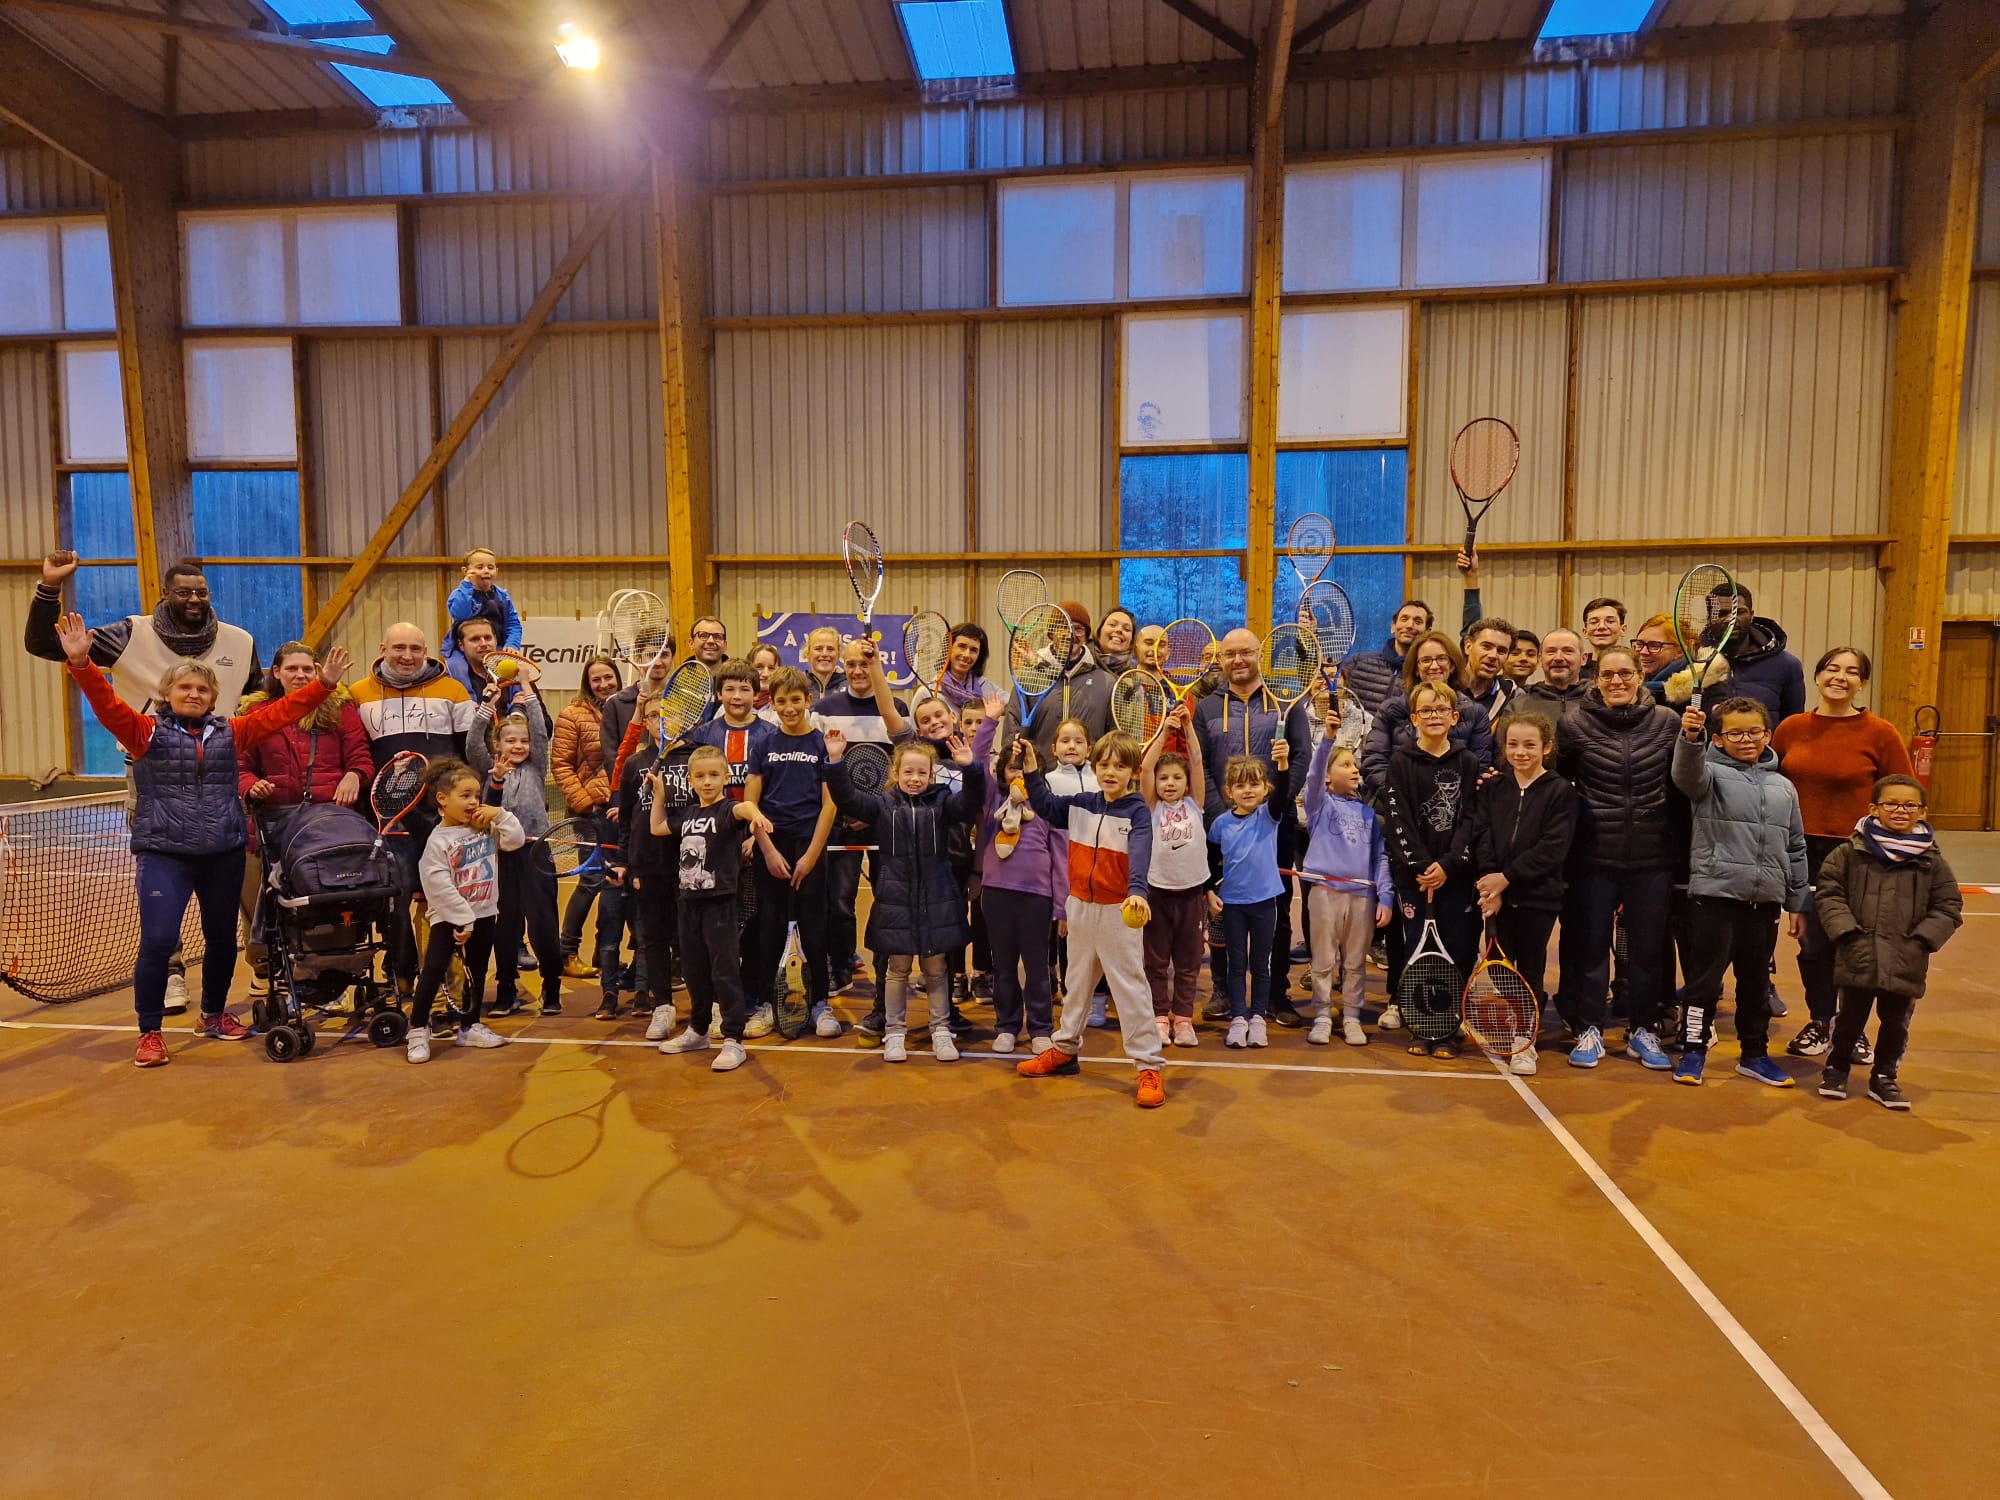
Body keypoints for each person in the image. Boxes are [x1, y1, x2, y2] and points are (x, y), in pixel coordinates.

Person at [57, 614, 349, 1066]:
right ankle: (150, 1031)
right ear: (167, 694)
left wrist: (324, 684)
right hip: (164, 854)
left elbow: (282, 712)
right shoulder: (144, 731)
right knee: (158, 941)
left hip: (222, 852)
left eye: (202, 689)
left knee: (221, 940)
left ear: (213, 696)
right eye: (184, 688)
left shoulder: (233, 731)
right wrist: (81, 664)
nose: (193, 694)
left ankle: (213, 1015)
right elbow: (106, 704)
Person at [28, 550, 261, 1014]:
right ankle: (170, 970)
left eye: (201, 592)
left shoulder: (240, 640)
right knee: (164, 874)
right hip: (152, 765)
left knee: (235, 867)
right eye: (184, 592)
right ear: (165, 594)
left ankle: (259, 962)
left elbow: (258, 699)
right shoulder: (130, 634)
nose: (193, 599)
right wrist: (49, 588)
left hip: (221, 764)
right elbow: (45, 645)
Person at [1011, 730, 1166, 1109]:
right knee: (1076, 984)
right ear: (1094, 767)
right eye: (1104, 765)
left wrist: (1137, 891)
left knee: (1130, 988)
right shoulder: (1081, 803)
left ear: (1134, 772)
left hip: (1118, 912)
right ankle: (1065, 1050)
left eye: (1120, 766)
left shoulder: (1137, 812)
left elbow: (1141, 852)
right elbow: (1045, 805)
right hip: (1079, 907)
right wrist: (1031, 769)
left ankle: (1148, 1065)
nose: (1111, 772)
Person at [1772, 647, 1914, 1060]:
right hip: (1802, 852)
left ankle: (1851, 1027)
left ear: (1862, 683)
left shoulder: (1880, 733)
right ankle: (1821, 1021)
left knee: (1854, 944)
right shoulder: (1791, 728)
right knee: (1812, 943)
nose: (1840, 677)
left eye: (1852, 672)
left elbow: (1903, 793)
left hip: (1859, 853)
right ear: (1817, 677)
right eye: (1832, 668)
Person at [1670, 696, 1807, 1087]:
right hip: (1715, 897)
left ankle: (1755, 1055)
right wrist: (1690, 738)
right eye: (1735, 733)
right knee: (1703, 983)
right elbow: (1686, 774)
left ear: (1768, 735)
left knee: (1756, 983)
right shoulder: (1708, 774)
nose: (1746, 740)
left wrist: (1797, 902)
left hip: (1764, 903)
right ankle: (1693, 1050)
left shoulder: (1784, 787)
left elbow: (1795, 846)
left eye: (1754, 732)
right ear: (1718, 739)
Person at [1555, 646, 1679, 1070]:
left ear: (1640, 677)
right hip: (1593, 858)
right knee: (1590, 949)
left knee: (1646, 952)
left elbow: (1681, 786)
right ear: (1596, 679)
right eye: (1608, 675)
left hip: (1652, 859)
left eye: (1625, 673)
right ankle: (1589, 1027)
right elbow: (1561, 785)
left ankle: (1642, 1029)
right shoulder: (1573, 724)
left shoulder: (1668, 723)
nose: (1617, 682)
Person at [825, 730, 983, 1063]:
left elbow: (970, 803)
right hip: (895, 900)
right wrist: (836, 761)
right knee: (896, 968)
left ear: (931, 775)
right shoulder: (882, 805)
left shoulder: (943, 803)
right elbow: (848, 799)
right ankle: (895, 1031)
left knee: (936, 967)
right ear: (895, 774)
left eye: (922, 772)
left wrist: (970, 769)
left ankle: (941, 1030)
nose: (915, 778)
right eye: (908, 772)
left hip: (936, 898)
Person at [1812, 775, 1962, 1111]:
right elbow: (1829, 894)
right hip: (1858, 952)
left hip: (1907, 956)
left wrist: (1922, 940)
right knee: (1849, 1018)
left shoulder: (1932, 861)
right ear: (1873, 808)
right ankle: (1836, 1068)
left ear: (1922, 812)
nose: (1900, 810)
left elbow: (1948, 906)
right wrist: (1846, 932)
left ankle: (1884, 1077)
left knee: (1896, 1023)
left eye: (1909, 805)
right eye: (1891, 803)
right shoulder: (1849, 853)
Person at [1194, 627, 1315, 1028]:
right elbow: (1201, 765)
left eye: (1245, 652)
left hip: (1273, 826)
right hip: (1222, 826)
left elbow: (1301, 757)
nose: (1238, 660)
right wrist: (1221, 814)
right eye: (1230, 654)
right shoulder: (1206, 708)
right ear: (1221, 660)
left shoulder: (1285, 703)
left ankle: (1277, 993)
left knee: (1276, 910)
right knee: (1221, 910)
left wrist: (1271, 808)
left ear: (1259, 655)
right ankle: (1223, 991)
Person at [236, 641, 375, 990]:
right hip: (273, 821)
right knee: (260, 889)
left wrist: (354, 775)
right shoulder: (255, 714)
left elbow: (360, 755)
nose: (300, 675)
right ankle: (265, 962)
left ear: (317, 671)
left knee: (332, 891)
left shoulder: (341, 709)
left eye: (307, 669)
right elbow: (239, 767)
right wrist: (252, 786)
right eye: (292, 669)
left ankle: (332, 964)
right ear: (276, 673)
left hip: (328, 821)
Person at [349, 622, 475, 995]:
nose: (407, 656)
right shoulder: (358, 694)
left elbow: (470, 752)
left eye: (415, 649)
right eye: (399, 648)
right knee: (396, 900)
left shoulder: (453, 691)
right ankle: (402, 973)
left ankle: (447, 976)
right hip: (391, 820)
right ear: (383, 649)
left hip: (441, 819)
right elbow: (355, 752)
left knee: (444, 897)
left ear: (426, 651)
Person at [651, 745, 773, 1073]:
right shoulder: (689, 814)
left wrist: (755, 814)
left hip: (720, 903)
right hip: (688, 902)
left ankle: (733, 1039)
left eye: (714, 775)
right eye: (701, 776)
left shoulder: (728, 810)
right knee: (694, 970)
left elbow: (744, 807)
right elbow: (657, 828)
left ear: (726, 777)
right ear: (690, 780)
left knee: (724, 970)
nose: (707, 781)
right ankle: (698, 1030)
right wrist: (660, 796)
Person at [1376, 680, 1482, 1058]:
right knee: (1416, 951)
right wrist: (1422, 866)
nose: (1433, 716)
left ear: (1453, 717)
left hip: (1456, 877)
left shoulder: (1468, 762)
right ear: (1414, 719)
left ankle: (1447, 1025)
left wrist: (1448, 865)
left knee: (1456, 949)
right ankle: (1422, 1024)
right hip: (1415, 879)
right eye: (1426, 710)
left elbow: (1472, 819)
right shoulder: (1400, 762)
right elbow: (1397, 819)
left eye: (1441, 710)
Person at [1473, 710, 1576, 1076]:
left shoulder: (1560, 792)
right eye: (1513, 744)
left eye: (1529, 745)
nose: (1520, 752)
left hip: (1538, 897)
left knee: (1530, 967)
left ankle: (1524, 1039)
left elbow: (1553, 847)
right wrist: (1491, 883)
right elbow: (1482, 835)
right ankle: (1527, 1010)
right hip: (1496, 895)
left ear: (1546, 747)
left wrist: (1507, 878)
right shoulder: (1493, 788)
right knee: (1500, 967)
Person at [815, 637, 909, 1032]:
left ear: (875, 665)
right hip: (840, 823)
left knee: (887, 902)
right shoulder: (825, 709)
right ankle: (841, 966)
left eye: (864, 664)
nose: (857, 671)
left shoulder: (895, 707)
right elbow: (823, 767)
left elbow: (902, 767)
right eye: (851, 664)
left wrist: (873, 812)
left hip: (884, 823)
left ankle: (887, 979)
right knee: (839, 901)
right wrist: (847, 811)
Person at [744, 666, 842, 1038]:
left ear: (808, 700)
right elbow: (751, 804)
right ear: (772, 702)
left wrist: (811, 856)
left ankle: (820, 1004)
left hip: (809, 846)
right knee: (768, 926)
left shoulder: (821, 744)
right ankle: (766, 1005)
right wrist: (768, 850)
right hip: (773, 846)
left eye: (796, 700)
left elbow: (829, 806)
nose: (788, 708)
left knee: (815, 927)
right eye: (781, 701)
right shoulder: (764, 744)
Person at [403, 758, 521, 1063]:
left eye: (477, 796)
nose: (473, 802)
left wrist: (501, 814)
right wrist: (463, 919)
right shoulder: (437, 841)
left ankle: (470, 1026)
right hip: (450, 918)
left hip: (485, 912)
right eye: (465, 795)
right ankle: (417, 1029)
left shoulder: (485, 827)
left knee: (477, 971)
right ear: (442, 799)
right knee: (433, 971)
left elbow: (515, 841)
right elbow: (438, 885)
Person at [974, 692, 1066, 1055]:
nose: (1016, 774)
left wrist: (1061, 905)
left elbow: (1060, 857)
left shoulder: (1046, 807)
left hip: (1036, 897)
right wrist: (990, 721)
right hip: (997, 894)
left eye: (1023, 767)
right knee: (1004, 965)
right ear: (1002, 774)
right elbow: (977, 762)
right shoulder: (992, 804)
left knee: (1038, 965)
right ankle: (1007, 1025)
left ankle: (1041, 1027)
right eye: (1010, 768)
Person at [467, 693, 563, 1019]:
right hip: (501, 855)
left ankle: (552, 985)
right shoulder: (489, 769)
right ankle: (506, 988)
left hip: (537, 852)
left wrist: (527, 688)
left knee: (544, 924)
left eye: (523, 740)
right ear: (497, 744)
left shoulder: (536, 767)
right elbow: (472, 742)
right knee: (505, 926)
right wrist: (487, 705)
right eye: (510, 740)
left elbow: (540, 731)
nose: (518, 746)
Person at [1299, 733, 1393, 1046]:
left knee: (1355, 962)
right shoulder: (1319, 805)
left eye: (1356, 765)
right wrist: (1327, 740)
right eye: (1346, 764)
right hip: (1326, 893)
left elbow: (1380, 857)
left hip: (1362, 897)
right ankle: (1323, 1015)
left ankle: (1352, 1016)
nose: (1355, 769)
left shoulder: (1368, 814)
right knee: (1323, 960)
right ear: (1328, 776)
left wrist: (1385, 896)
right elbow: (1312, 776)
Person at [1208, 745, 1291, 1049]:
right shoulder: (1221, 824)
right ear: (1229, 791)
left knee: (1260, 963)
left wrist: (1282, 763)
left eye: (1254, 784)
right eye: (1240, 785)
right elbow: (1209, 861)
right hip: (1233, 904)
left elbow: (1283, 792)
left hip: (1264, 904)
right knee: (1236, 963)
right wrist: (1209, 891)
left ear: (1265, 789)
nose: (1247, 791)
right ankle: (1238, 1018)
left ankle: (1258, 1018)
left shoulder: (1269, 816)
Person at [1139, 707, 1208, 1049]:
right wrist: (1165, 733)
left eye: (1176, 778)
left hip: (1191, 894)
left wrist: (1188, 727)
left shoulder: (1196, 804)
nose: (1169, 783)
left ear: (1186, 782)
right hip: (1157, 893)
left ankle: (1183, 1020)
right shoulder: (1150, 807)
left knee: (1188, 962)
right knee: (1155, 962)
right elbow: (1146, 767)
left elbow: (1195, 760)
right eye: (1164, 778)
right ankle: (1159, 1018)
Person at [551, 655, 623, 980]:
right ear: (587, 683)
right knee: (591, 880)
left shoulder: (625, 709)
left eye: (609, 677)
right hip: (591, 813)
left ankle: (604, 953)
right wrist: (585, 803)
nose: (604, 684)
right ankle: (567, 952)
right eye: (597, 679)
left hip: (622, 811)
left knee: (616, 883)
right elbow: (561, 765)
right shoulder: (573, 715)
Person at [608, 699, 677, 1034]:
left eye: (667, 714)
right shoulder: (635, 764)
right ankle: (662, 1005)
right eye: (653, 715)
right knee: (653, 939)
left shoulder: (693, 757)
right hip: (648, 865)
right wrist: (624, 861)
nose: (660, 721)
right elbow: (626, 820)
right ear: (645, 722)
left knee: (692, 940)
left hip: (687, 864)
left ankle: (707, 1005)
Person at [1359, 630, 1495, 790]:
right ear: (1416, 668)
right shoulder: (1390, 710)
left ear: (1452, 666)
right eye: (1426, 660)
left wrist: (1446, 799)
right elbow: (1374, 763)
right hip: (1397, 798)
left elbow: (1479, 768)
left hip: (1452, 799)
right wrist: (1397, 796)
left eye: (1441, 659)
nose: (1434, 666)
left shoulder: (1475, 713)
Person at [1002, 599, 1115, 762]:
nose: (1070, 634)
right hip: (1039, 774)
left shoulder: (1106, 683)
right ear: (1051, 634)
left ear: (1086, 637)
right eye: (1063, 626)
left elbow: (1113, 740)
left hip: (1089, 776)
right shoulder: (1028, 680)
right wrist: (1013, 760)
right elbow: (1011, 732)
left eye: (1078, 629)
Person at [1694, 583, 1806, 723]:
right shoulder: (1692, 664)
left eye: (1739, 612)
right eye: (1722, 613)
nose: (1730, 620)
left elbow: (1793, 725)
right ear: (1709, 618)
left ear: (1751, 615)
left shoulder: (1787, 665)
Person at [1339, 598, 1433, 715]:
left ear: (1427, 632)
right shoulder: (1358, 662)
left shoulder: (1427, 674)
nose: (1409, 625)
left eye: (1418, 622)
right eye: (1404, 619)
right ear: (1393, 626)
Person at [442, 547, 522, 671]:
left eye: (490, 567)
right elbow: (461, 615)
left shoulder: (503, 597)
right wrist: (466, 585)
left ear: (497, 571)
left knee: (514, 672)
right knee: (456, 670)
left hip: (496, 650)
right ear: (465, 571)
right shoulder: (459, 594)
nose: (486, 571)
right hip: (464, 653)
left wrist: (512, 644)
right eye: (480, 567)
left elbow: (513, 624)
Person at [1460, 616, 1518, 728]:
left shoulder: (1513, 697)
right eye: (1486, 647)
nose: (1493, 656)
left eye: (1501, 651)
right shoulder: (1446, 687)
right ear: (1468, 647)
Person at [932, 622, 998, 712]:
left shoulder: (986, 686)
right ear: (949, 648)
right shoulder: (928, 691)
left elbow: (1015, 706)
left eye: (973, 650)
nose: (967, 654)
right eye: (962, 647)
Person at [1524, 628, 1589, 713]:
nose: (1558, 658)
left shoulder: (1600, 702)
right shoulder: (1519, 706)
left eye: (1568, 651)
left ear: (1583, 659)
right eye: (1551, 652)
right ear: (1540, 659)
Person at [1632, 613, 1684, 704]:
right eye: (1639, 644)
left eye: (1654, 646)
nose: (1643, 652)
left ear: (1679, 651)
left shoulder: (1695, 692)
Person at [1580, 597, 1627, 677]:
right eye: (1594, 622)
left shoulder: (1632, 666)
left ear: (1623, 629)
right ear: (1585, 631)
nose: (1601, 626)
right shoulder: (1576, 669)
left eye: (1610, 621)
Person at [803, 625, 843, 697]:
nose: (825, 654)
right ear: (808, 653)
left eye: (830, 649)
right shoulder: (798, 684)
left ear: (838, 654)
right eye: (818, 649)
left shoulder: (850, 685)